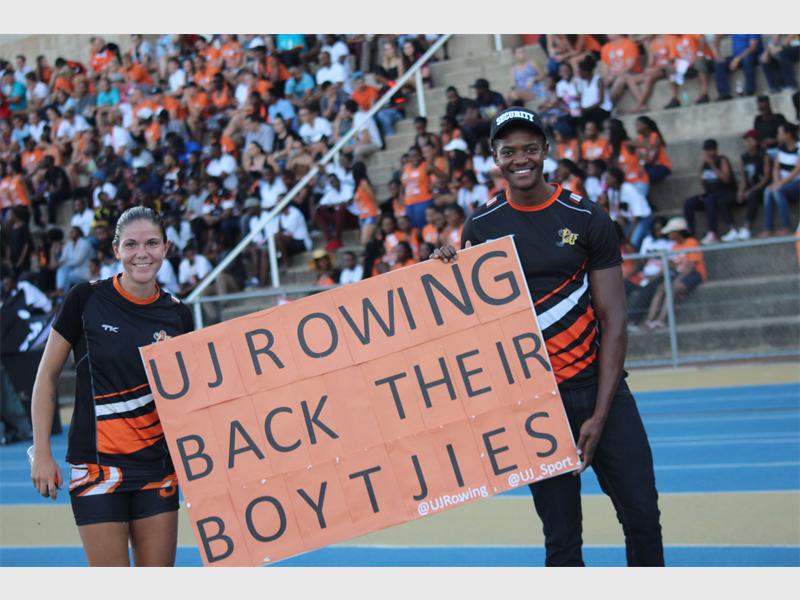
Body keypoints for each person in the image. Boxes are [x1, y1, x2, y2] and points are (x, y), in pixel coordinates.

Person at [431, 107, 663, 567]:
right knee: (561, 541)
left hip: (602, 392)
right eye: (509, 151)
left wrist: (599, 414)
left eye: (530, 149)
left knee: (642, 519)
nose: (521, 159)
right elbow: (476, 320)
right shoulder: (481, 226)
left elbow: (614, 319)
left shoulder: (586, 216)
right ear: (494, 158)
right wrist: (443, 272)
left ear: (546, 152)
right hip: (536, 404)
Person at [29, 207, 193, 567]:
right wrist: (41, 452)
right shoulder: (85, 299)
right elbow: (46, 376)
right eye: (131, 244)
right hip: (97, 468)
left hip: (157, 468)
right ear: (116, 249)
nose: (142, 253)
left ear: (166, 248)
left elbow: (188, 397)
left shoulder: (179, 315)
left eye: (152, 243)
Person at [643, 216, 707, 330]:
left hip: (695, 273)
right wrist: (666, 261)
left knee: (672, 288)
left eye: (670, 232)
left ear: (677, 232)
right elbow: (675, 265)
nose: (668, 235)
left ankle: (661, 320)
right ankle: (650, 320)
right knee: (661, 288)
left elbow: (691, 266)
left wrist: (677, 280)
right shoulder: (675, 245)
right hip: (680, 273)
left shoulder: (691, 242)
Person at [682, 138, 740, 244]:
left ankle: (713, 232)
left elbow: (726, 179)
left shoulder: (722, 160)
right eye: (706, 150)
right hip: (711, 193)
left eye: (710, 150)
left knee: (710, 200)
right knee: (689, 203)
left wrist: (713, 165)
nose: (708, 153)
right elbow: (703, 179)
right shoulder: (705, 163)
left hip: (725, 192)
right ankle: (691, 233)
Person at [761, 122, 800, 236]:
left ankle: (785, 226)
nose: (778, 136)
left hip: (796, 182)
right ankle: (768, 228)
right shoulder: (780, 149)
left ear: (788, 134)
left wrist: (780, 184)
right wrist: (776, 182)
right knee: (768, 191)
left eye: (780, 133)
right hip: (783, 182)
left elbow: (797, 170)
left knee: (778, 191)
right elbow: (776, 168)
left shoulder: (799, 147)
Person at [736, 130, 771, 240]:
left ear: (756, 141)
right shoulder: (743, 157)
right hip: (749, 188)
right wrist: (740, 191)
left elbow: (766, 178)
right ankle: (733, 230)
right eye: (746, 141)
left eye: (750, 141)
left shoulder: (763, 156)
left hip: (762, 188)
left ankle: (747, 227)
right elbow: (743, 178)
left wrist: (751, 190)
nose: (747, 143)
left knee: (752, 196)